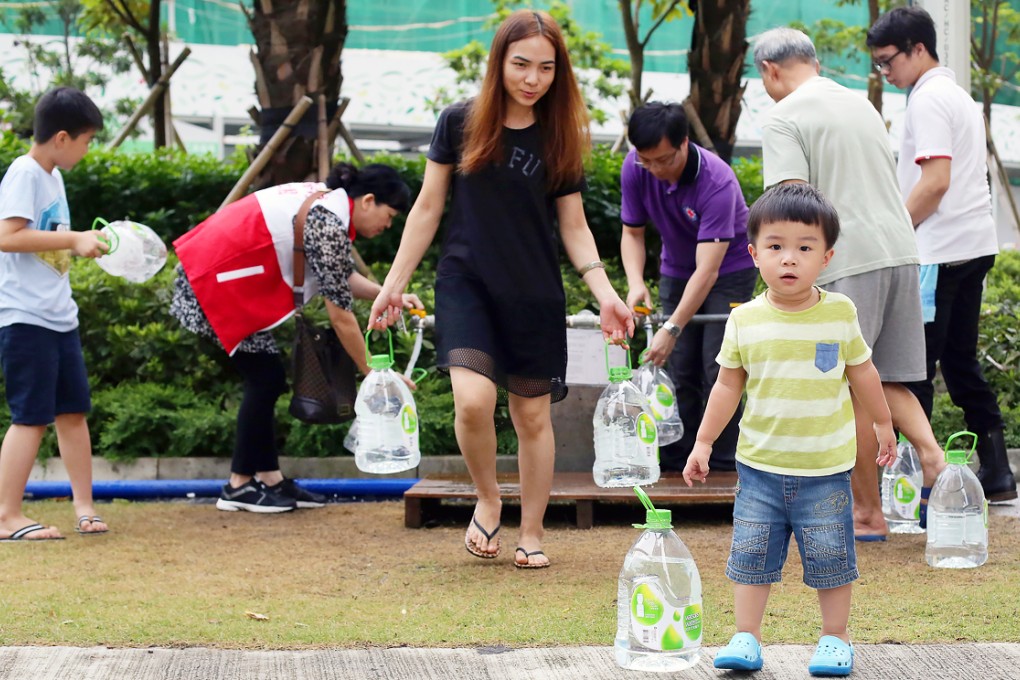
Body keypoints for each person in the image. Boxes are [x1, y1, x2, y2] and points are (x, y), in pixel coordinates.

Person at [368, 9, 633, 569]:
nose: (532, 79)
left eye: (545, 68)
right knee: (473, 402)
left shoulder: (560, 135)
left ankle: (531, 531)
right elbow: (428, 207)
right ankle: (488, 498)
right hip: (466, 281)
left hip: (534, 290)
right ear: (499, 63)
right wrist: (393, 284)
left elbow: (575, 226)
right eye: (520, 65)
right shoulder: (459, 122)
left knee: (532, 416)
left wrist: (606, 291)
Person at [684, 183, 897, 677]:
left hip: (825, 469)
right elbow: (726, 386)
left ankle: (835, 638)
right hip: (759, 467)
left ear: (827, 256)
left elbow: (862, 372)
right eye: (776, 247)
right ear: (754, 253)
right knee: (751, 554)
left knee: (831, 557)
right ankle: (747, 637)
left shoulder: (840, 312)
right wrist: (703, 441)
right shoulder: (745, 320)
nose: (790, 259)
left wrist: (884, 422)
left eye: (805, 248)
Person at [754, 27, 946, 540]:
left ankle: (866, 514)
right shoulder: (861, 103)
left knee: (848, 385)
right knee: (887, 378)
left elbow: (792, 210)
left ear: (770, 71)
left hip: (847, 261)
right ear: (812, 60)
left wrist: (781, 275)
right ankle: (932, 455)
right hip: (901, 249)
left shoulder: (784, 115)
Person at [170, 163, 421, 513]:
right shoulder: (329, 221)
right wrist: (376, 375)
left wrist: (387, 294)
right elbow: (341, 316)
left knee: (267, 379)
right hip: (208, 285)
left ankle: (269, 479)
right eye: (389, 215)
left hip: (218, 278)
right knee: (265, 379)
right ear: (367, 201)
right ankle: (239, 485)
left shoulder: (327, 206)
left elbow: (339, 276)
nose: (387, 225)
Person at [867, 7, 1015, 503]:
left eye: (888, 61)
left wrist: (894, 234)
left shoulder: (927, 100)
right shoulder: (958, 95)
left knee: (913, 369)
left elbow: (934, 183)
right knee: (959, 363)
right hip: (972, 246)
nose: (885, 73)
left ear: (918, 49)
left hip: (936, 254)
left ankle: (925, 483)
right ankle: (996, 472)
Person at [620, 102, 757, 472]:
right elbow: (632, 232)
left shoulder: (717, 181)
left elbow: (708, 271)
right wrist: (635, 284)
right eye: (646, 160)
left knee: (719, 366)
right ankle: (677, 459)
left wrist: (672, 328)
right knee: (676, 367)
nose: (655, 169)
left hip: (729, 271)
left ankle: (725, 462)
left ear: (683, 143)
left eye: (663, 159)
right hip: (676, 271)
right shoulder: (637, 167)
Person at [0, 86, 109, 541]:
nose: (87, 150)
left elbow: (48, 239)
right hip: (25, 316)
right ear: (62, 137)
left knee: (73, 413)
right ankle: (6, 517)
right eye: (86, 140)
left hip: (59, 315)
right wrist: (72, 238)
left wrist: (82, 244)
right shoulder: (25, 173)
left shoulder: (53, 177)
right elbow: (7, 236)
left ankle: (84, 507)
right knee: (31, 417)